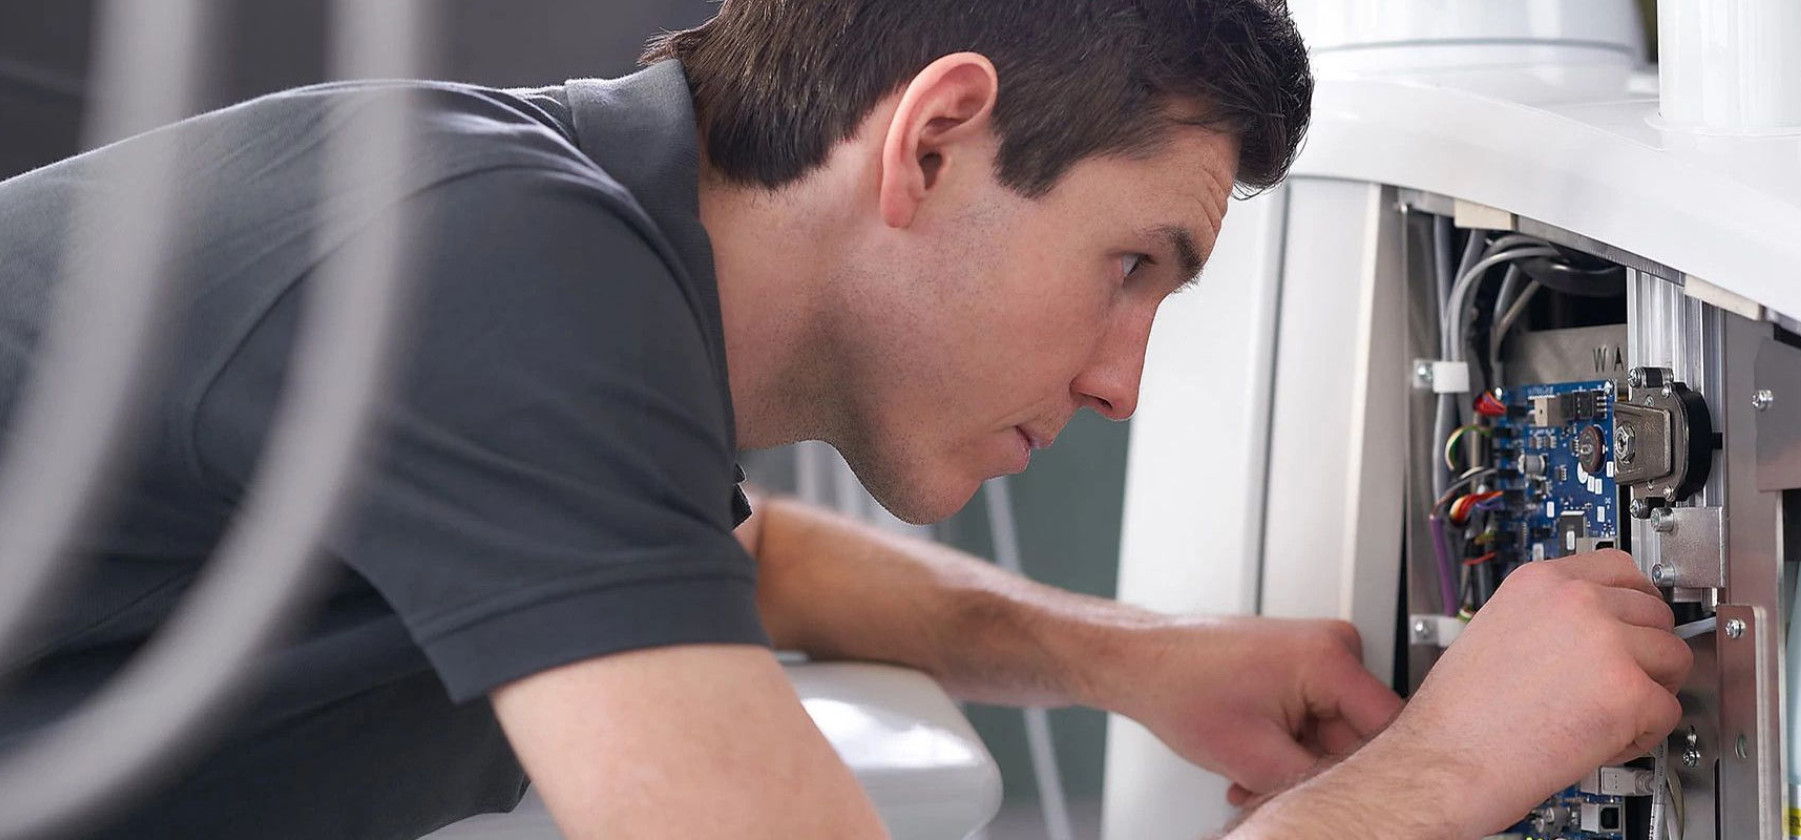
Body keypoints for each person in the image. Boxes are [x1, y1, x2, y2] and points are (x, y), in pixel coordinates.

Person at [0, 0, 1692, 837]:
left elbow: (748, 567)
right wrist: (1447, 768)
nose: (1122, 381)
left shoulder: (537, 236)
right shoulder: (490, 265)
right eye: (1129, 266)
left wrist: (1139, 661)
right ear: (935, 140)